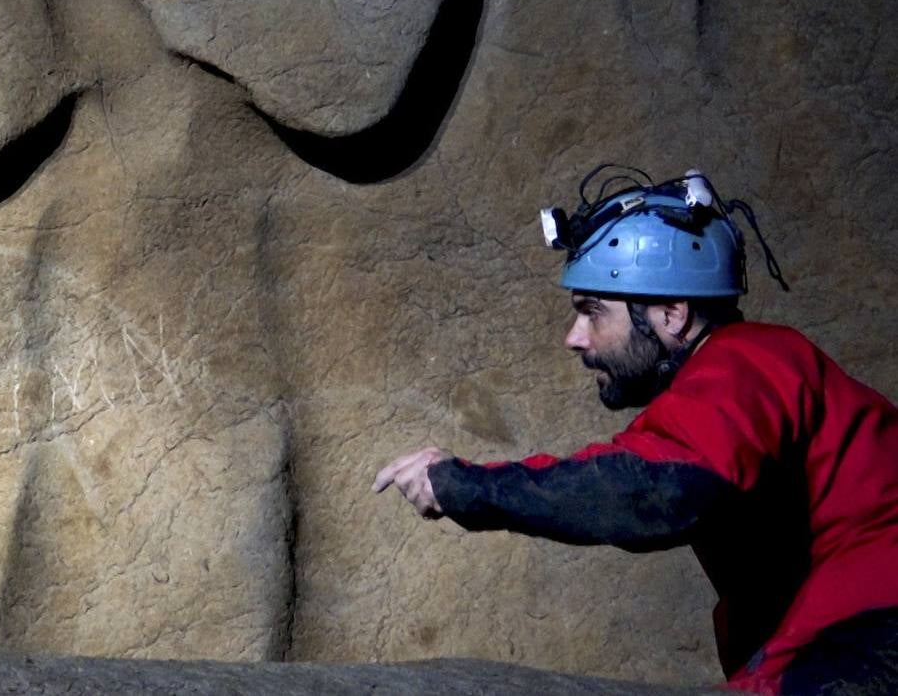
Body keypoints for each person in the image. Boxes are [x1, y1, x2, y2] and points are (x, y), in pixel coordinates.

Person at [372, 166, 898, 695]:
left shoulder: (747, 361)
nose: (573, 337)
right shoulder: (721, 383)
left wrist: (461, 485)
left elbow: (652, 489)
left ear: (672, 313)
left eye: (592, 311)